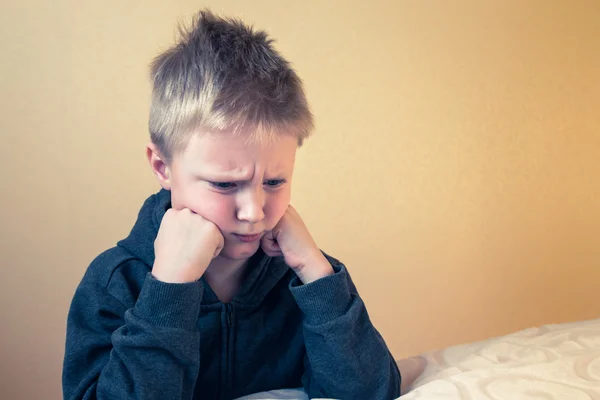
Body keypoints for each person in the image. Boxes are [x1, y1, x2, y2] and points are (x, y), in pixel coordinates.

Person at [62, 9, 404, 400]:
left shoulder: (299, 277)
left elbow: (374, 392)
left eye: (274, 181)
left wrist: (317, 274)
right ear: (162, 167)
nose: (255, 212)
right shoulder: (115, 283)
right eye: (225, 184)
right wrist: (169, 290)